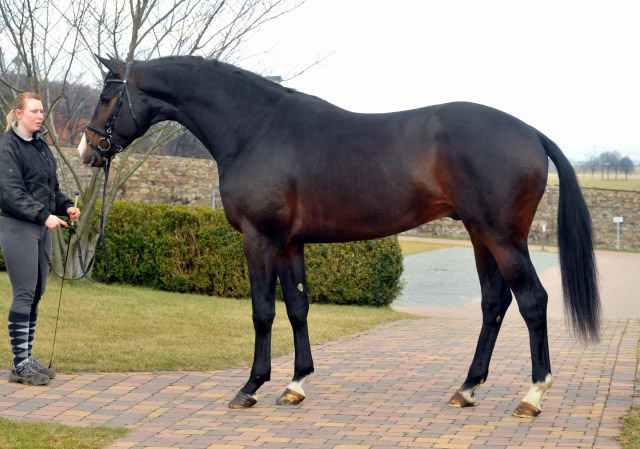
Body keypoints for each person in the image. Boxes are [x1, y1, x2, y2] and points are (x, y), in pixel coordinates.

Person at [0, 93, 80, 386]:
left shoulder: (42, 147)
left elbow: (50, 188)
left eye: (42, 111)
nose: (39, 116)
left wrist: (65, 206)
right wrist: (43, 215)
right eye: (34, 111)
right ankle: (19, 364)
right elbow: (10, 193)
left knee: (37, 292)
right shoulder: (8, 147)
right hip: (17, 226)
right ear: (18, 113)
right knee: (24, 292)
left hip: (40, 227)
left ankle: (27, 359)